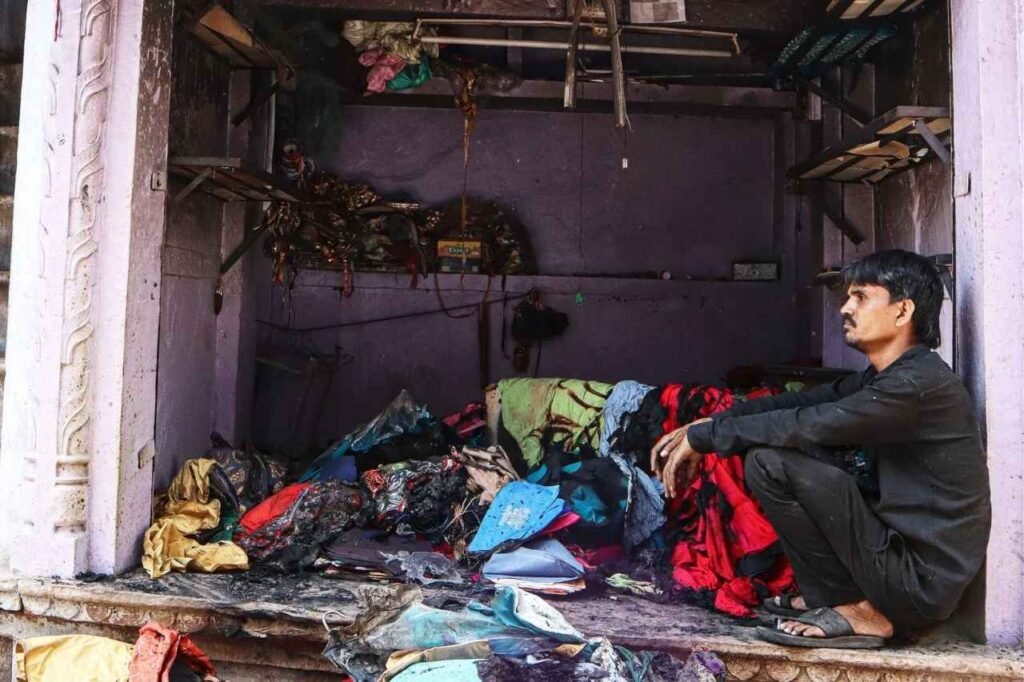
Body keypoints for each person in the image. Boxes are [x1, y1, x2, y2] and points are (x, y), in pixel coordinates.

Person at [651, 249, 991, 650]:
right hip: (896, 562)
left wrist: (709, 437)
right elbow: (802, 403)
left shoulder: (914, 386)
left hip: (917, 584)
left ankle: (864, 613)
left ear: (902, 311)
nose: (845, 308)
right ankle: (835, 600)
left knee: (774, 462)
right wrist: (711, 424)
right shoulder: (888, 377)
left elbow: (811, 423)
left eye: (861, 297)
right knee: (769, 456)